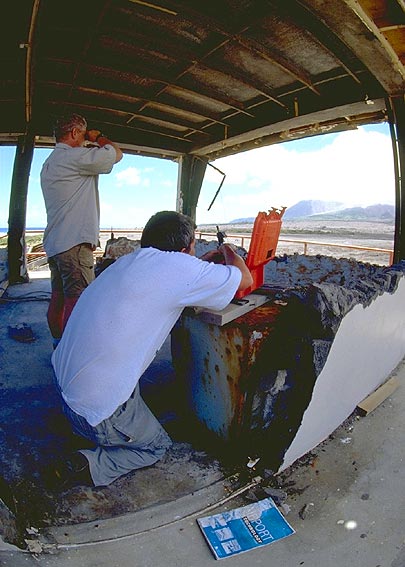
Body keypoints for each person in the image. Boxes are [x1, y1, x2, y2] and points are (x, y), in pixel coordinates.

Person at [47, 211, 253, 490]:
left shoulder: (127, 263)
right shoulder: (181, 270)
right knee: (155, 446)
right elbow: (245, 280)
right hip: (93, 415)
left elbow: (171, 276)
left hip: (65, 393)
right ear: (184, 249)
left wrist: (197, 267)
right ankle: (88, 464)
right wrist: (228, 250)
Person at [40, 113, 123, 348]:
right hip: (74, 244)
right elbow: (116, 155)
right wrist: (99, 138)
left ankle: (58, 345)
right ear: (76, 133)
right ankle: (72, 352)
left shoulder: (50, 162)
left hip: (57, 244)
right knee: (80, 302)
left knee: (58, 297)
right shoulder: (73, 157)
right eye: (83, 134)